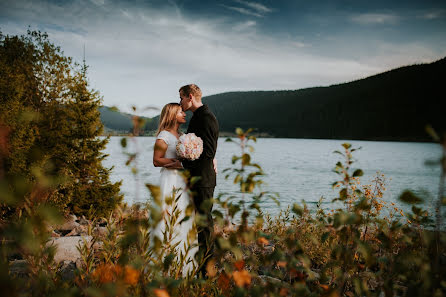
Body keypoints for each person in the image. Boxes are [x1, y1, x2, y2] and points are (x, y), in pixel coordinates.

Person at [178, 84, 219, 278]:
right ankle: (200, 266)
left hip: (203, 179)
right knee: (199, 225)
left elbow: (208, 152)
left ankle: (207, 272)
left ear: (190, 97)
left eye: (182, 98)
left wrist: (185, 158)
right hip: (197, 178)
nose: (180, 102)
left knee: (204, 225)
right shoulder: (198, 117)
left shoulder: (207, 117)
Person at [152, 103, 197, 277]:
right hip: (170, 180)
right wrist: (176, 163)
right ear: (171, 115)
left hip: (183, 181)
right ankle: (164, 265)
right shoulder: (163, 136)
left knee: (184, 217)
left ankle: (184, 264)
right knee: (169, 216)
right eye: (180, 112)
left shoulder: (183, 136)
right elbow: (156, 160)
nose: (184, 114)